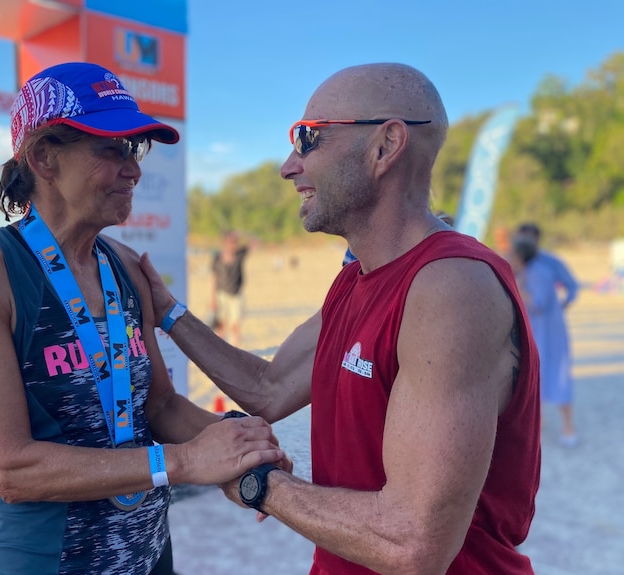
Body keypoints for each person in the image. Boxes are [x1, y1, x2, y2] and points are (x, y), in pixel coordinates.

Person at [141, 62, 541, 574]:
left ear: (385, 146)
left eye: (308, 139)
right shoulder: (356, 280)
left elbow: (412, 544)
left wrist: (257, 482)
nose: (289, 166)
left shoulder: (449, 287)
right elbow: (269, 388)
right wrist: (168, 311)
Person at [0, 62, 286, 575]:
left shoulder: (122, 265)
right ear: (43, 157)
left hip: (146, 550)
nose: (135, 169)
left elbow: (160, 404)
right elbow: (12, 468)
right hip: (45, 560)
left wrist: (239, 448)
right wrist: (185, 462)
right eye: (111, 148)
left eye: (134, 150)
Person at [509, 222, 579, 446]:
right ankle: (538, 424)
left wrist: (562, 306)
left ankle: (568, 429)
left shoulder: (545, 267)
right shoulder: (521, 267)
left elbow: (548, 298)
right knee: (532, 375)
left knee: (557, 373)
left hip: (549, 330)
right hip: (530, 328)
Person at [211, 230, 250, 345]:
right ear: (225, 243)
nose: (234, 244)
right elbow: (213, 278)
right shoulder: (218, 258)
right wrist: (212, 298)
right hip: (222, 294)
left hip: (237, 294)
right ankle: (220, 349)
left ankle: (235, 347)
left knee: (235, 324)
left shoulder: (240, 254)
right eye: (231, 241)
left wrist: (242, 234)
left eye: (235, 242)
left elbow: (255, 242)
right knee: (221, 325)